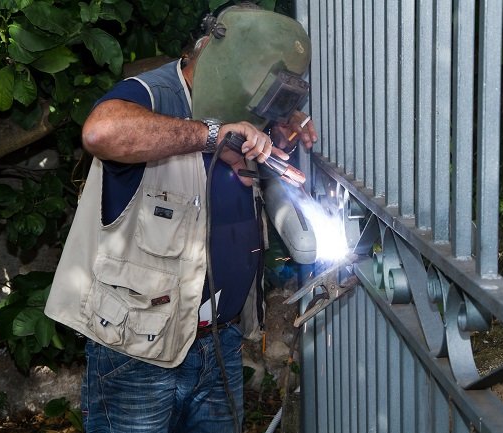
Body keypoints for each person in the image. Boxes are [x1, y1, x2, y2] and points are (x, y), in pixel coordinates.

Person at [44, 3, 317, 433]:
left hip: (220, 344)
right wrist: (211, 134)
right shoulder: (154, 94)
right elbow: (101, 132)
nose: (259, 112)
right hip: (137, 355)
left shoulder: (244, 111)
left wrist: (279, 135)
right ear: (218, 55)